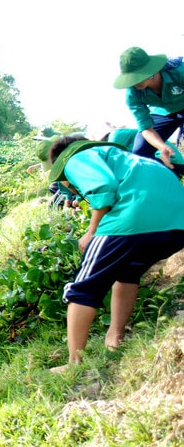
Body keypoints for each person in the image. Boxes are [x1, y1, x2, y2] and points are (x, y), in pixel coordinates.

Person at [46, 135, 184, 372]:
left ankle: (73, 363)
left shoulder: (75, 158)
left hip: (132, 219)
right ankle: (115, 338)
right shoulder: (127, 158)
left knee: (83, 288)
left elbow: (103, 187)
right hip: (176, 227)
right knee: (128, 272)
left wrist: (92, 231)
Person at [113, 46, 184, 169]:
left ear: (150, 70)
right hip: (164, 112)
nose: (134, 83)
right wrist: (162, 146)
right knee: (140, 152)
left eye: (137, 77)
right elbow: (146, 128)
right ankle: (171, 176)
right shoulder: (133, 94)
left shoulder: (180, 72)